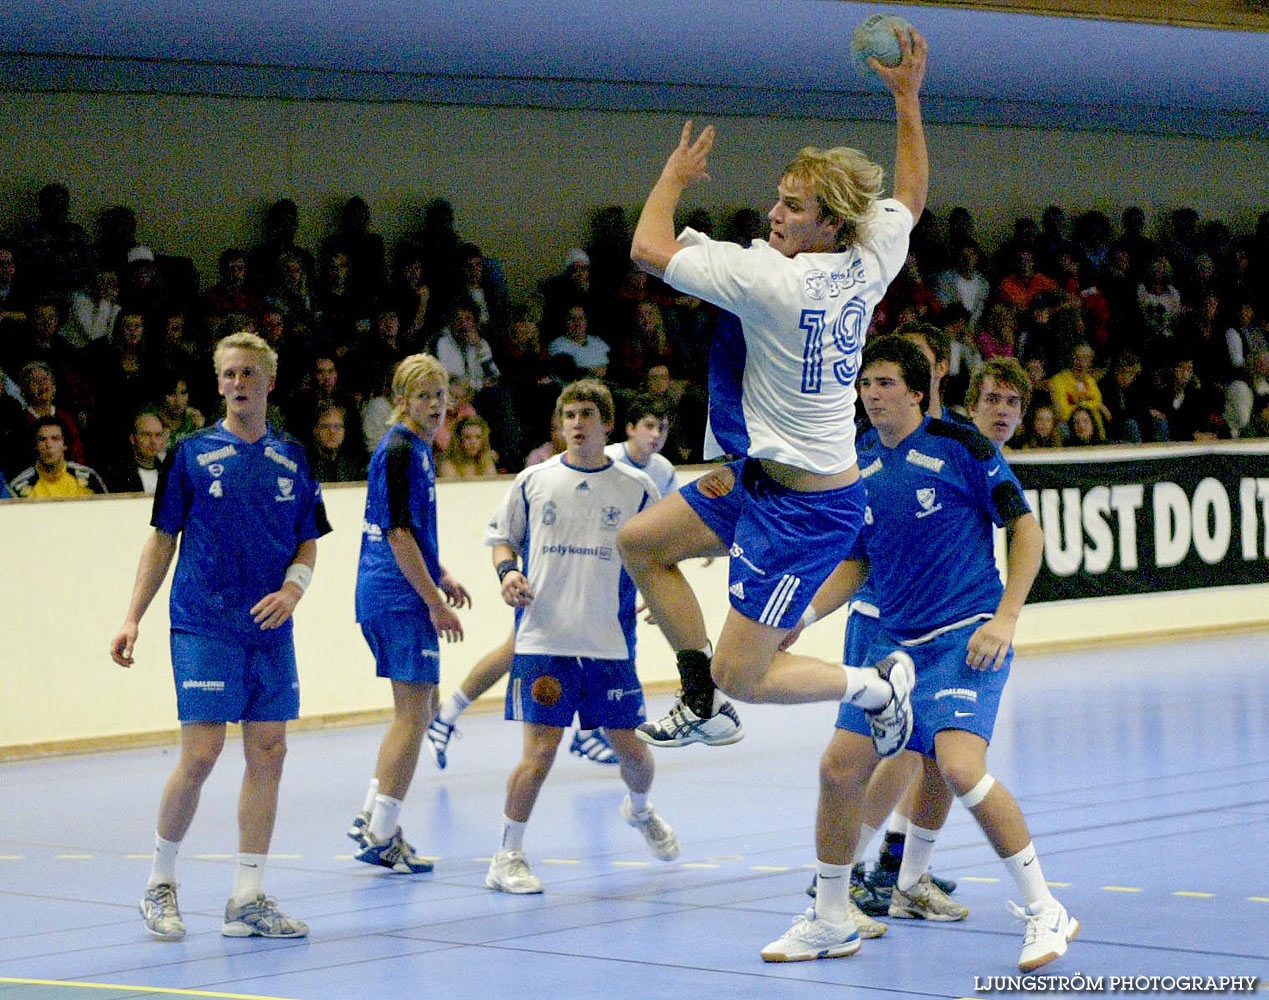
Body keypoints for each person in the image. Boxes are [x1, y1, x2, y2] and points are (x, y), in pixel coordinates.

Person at [618, 22, 928, 747]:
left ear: (827, 224)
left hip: (807, 512)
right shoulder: (870, 252)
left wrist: (673, 178)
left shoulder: (773, 279)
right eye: (778, 199)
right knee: (639, 542)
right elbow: (909, 197)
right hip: (759, 479)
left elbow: (645, 248)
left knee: (746, 674)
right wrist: (906, 102)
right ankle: (699, 702)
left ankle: (877, 688)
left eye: (791, 206)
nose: (773, 214)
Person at [761, 336, 1077, 973]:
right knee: (838, 769)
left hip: (964, 636)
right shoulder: (856, 462)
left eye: (884, 383)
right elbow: (856, 561)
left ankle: (1046, 909)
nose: (871, 395)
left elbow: (1026, 529)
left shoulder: (964, 448)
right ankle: (829, 917)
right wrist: (803, 615)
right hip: (891, 647)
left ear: (916, 390)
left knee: (958, 767)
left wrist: (1006, 618)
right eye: (864, 384)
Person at [108, 331, 329, 942]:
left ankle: (248, 898)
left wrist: (294, 590)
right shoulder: (190, 452)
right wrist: (132, 616)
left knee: (269, 752)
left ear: (269, 382)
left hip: (269, 627)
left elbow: (308, 536)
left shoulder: (292, 454)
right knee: (202, 753)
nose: (238, 383)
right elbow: (162, 539)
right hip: (204, 622)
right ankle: (160, 882)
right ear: (219, 381)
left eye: (249, 374)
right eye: (229, 373)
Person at [483, 379, 679, 893]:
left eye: (586, 414)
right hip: (544, 642)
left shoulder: (638, 489)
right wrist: (507, 574)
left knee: (632, 753)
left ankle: (639, 811)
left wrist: (664, 600)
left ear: (607, 424)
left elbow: (658, 555)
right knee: (539, 755)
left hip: (608, 645)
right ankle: (507, 856)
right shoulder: (533, 480)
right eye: (568, 414)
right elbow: (503, 539)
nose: (576, 423)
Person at [425, 392, 682, 770]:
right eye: (648, 426)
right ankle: (449, 714)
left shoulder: (658, 473)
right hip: (558, 591)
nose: (655, 434)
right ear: (626, 428)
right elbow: (509, 537)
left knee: (601, 647)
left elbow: (661, 536)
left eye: (662, 428)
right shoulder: (596, 458)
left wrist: (666, 579)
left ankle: (585, 733)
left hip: (602, 599)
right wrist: (509, 571)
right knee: (517, 649)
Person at [346, 354, 471, 874]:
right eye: (424, 395)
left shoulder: (414, 447)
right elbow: (396, 533)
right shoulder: (400, 448)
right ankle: (381, 834)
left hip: (397, 589)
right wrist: (434, 603)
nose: (436, 405)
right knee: (413, 713)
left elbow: (408, 528)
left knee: (419, 707)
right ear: (402, 399)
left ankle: (373, 815)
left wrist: (439, 574)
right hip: (395, 595)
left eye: (441, 395)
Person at [9, 415, 107, 498]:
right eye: (42, 439)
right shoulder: (20, 486)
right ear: (35, 446)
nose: (49, 445)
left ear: (65, 444)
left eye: (55, 438)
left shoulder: (88, 477)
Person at [104, 410, 168, 494]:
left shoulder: (169, 472)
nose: (153, 441)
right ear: (133, 439)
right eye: (146, 435)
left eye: (158, 435)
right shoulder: (116, 474)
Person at [437, 414, 499, 478]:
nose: (473, 442)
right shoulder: (448, 465)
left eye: (478, 437)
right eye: (467, 437)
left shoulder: (487, 463)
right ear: (459, 440)